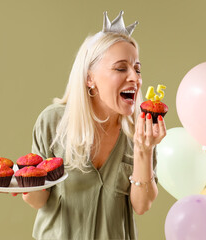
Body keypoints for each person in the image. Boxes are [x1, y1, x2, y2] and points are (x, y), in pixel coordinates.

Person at [22, 11, 166, 240]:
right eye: (121, 68)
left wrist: (144, 149)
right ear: (90, 78)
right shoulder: (53, 123)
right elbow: (37, 200)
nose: (135, 78)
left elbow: (142, 205)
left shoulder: (140, 131)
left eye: (137, 69)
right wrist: (25, 183)